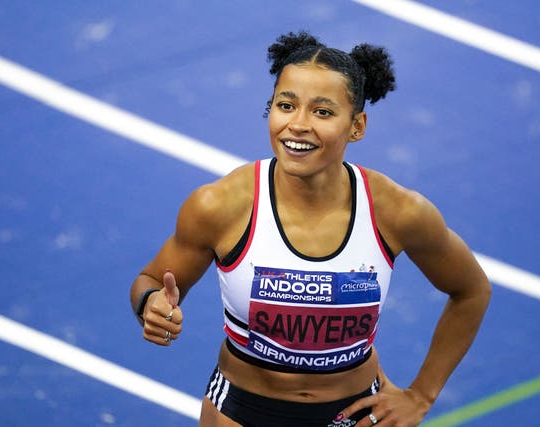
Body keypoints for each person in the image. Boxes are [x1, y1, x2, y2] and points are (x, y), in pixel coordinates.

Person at [130, 31, 491, 427]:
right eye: (286, 105)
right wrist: (152, 305)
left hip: (354, 413)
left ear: (357, 126)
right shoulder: (219, 206)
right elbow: (150, 280)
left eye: (322, 112)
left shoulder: (397, 212)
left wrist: (421, 395)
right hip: (241, 413)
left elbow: (471, 290)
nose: (297, 125)